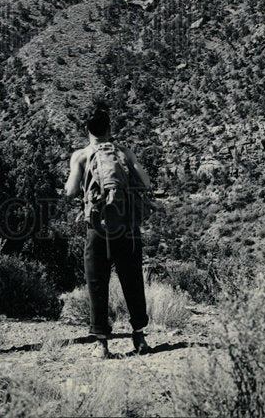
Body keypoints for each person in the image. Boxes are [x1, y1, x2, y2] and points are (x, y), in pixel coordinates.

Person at [65, 105, 152, 358]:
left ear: (87, 130)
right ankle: (140, 339)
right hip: (127, 227)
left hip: (97, 228)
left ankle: (102, 344)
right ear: (110, 129)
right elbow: (145, 182)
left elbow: (70, 191)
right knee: (133, 281)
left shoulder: (81, 155)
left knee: (97, 283)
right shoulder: (124, 152)